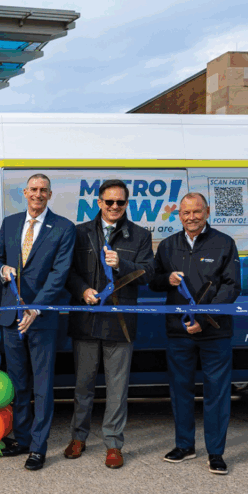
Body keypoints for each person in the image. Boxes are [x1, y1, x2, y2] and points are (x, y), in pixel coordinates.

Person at [63, 179, 153, 469]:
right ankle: (79, 437)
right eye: (109, 201)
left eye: (121, 202)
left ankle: (113, 443)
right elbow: (68, 272)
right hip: (87, 319)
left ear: (127, 204)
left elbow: (149, 273)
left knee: (117, 387)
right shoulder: (79, 233)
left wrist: (122, 265)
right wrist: (82, 291)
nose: (115, 207)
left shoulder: (139, 235)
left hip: (120, 322)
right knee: (83, 384)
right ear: (99, 202)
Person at [149, 192, 240, 475]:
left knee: (217, 393)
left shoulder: (224, 243)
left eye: (197, 212)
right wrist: (167, 279)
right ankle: (185, 446)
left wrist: (203, 318)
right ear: (179, 215)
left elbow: (231, 287)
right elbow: (153, 282)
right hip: (179, 332)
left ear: (207, 212)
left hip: (214, 332)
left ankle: (216, 453)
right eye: (186, 212)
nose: (191, 217)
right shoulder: (168, 245)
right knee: (180, 391)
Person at [0, 174, 76, 471]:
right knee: (18, 384)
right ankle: (24, 438)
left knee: (42, 386)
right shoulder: (11, 223)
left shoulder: (64, 228)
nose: (37, 195)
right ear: (25, 193)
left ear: (50, 195)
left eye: (43, 190)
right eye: (33, 190)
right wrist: (1, 269)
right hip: (10, 316)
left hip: (41, 319)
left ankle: (39, 448)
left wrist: (36, 309)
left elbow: (59, 273)